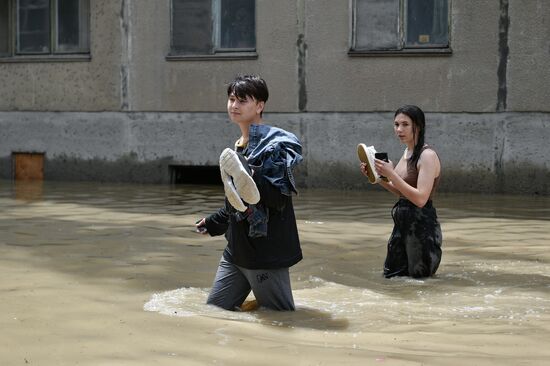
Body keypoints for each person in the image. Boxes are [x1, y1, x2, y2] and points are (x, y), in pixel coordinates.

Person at [196, 75, 303, 311]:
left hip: (265, 253)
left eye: (242, 100)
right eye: (232, 99)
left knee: (280, 320)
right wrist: (214, 222)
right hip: (236, 251)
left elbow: (277, 200)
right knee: (214, 311)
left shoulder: (277, 145)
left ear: (260, 105)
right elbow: (235, 201)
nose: (234, 105)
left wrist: (253, 176)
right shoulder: (238, 146)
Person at [360, 105, 442, 278]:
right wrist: (377, 177)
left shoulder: (427, 156)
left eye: (405, 124)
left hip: (421, 226)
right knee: (392, 276)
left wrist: (391, 173)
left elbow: (420, 199)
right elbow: (401, 192)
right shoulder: (407, 152)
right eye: (396, 124)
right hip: (402, 222)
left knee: (420, 280)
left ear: (418, 126)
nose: (399, 129)